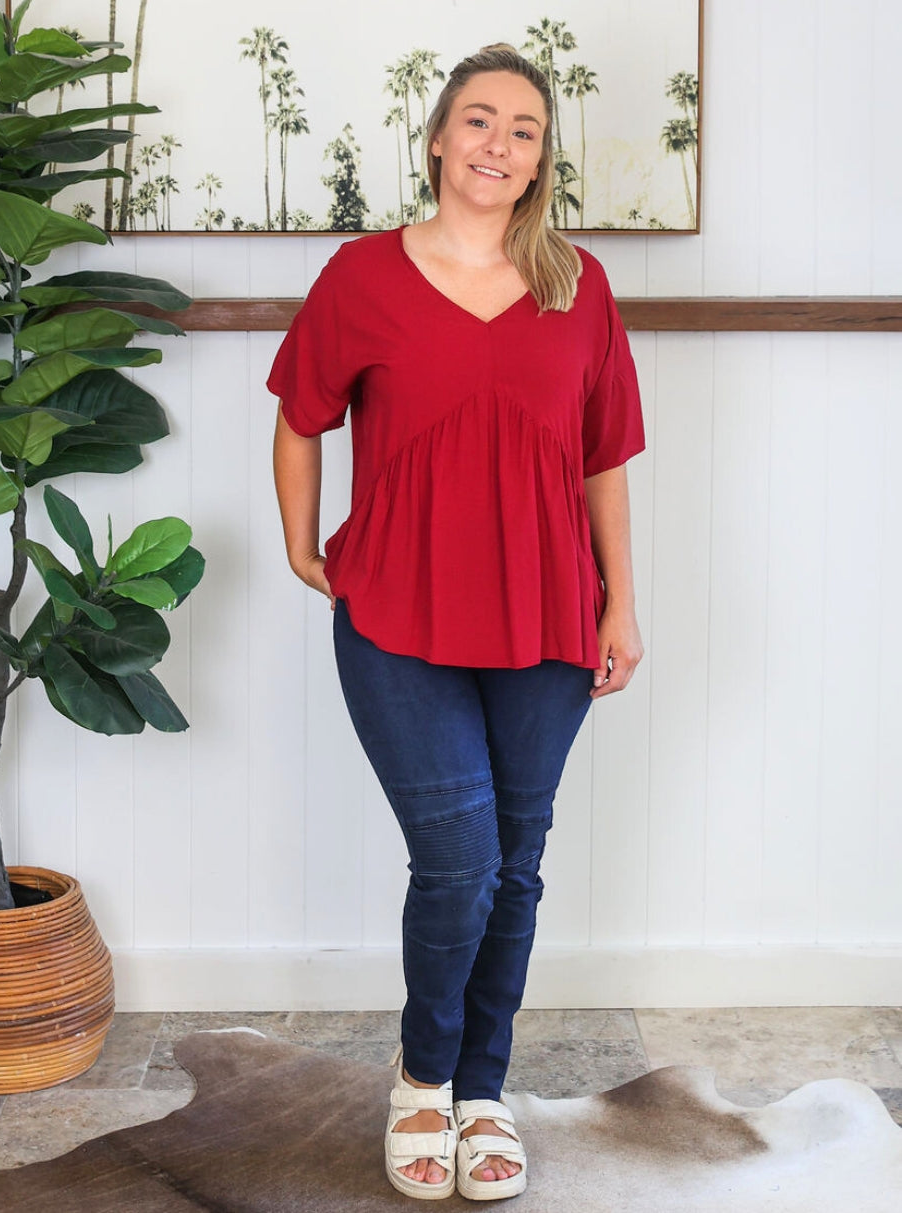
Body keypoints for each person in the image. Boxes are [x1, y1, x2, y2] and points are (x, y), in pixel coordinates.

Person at [270, 42, 644, 1202]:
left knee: (514, 866)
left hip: (544, 617)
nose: (497, 143)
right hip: (396, 612)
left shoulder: (574, 285)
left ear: (539, 160)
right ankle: (422, 1079)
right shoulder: (362, 276)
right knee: (459, 862)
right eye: (477, 121)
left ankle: (483, 1089)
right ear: (436, 139)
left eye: (522, 129)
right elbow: (299, 414)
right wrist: (301, 539)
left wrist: (620, 599)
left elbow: (602, 461)